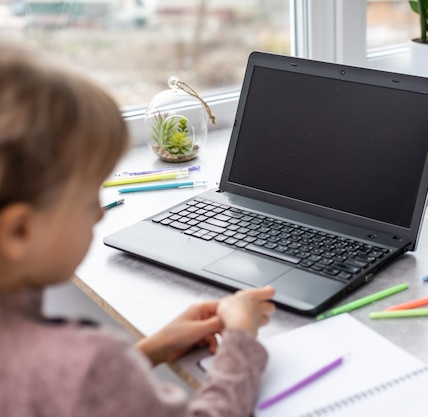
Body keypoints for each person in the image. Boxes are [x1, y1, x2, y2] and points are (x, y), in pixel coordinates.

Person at [0, 41, 276, 417]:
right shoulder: (91, 365)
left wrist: (147, 352)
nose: (99, 213)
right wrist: (240, 344)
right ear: (19, 232)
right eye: (87, 199)